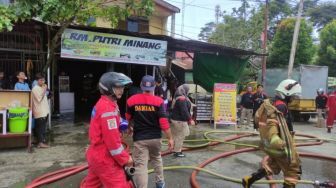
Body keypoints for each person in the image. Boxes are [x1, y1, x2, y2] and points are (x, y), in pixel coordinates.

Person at [242, 79, 302, 188]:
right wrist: (277, 140)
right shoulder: (280, 106)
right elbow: (272, 124)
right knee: (293, 170)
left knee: (273, 166)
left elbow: (257, 119)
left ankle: (249, 180)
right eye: (293, 95)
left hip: (269, 144)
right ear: (287, 94)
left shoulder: (270, 103)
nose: (294, 98)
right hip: (278, 144)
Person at [82, 72, 134, 188]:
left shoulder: (107, 103)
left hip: (96, 155)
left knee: (90, 185)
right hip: (105, 159)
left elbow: (111, 122)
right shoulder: (107, 110)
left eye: (122, 87)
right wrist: (126, 158)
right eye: (118, 87)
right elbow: (113, 144)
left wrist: (123, 124)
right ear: (108, 88)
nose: (121, 90)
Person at [126, 75, 174, 188]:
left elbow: (128, 117)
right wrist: (170, 138)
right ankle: (160, 183)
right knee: (157, 159)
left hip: (140, 139)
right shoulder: (159, 101)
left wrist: (129, 127)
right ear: (154, 87)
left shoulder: (131, 100)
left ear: (141, 87)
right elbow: (163, 122)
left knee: (141, 165)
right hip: (155, 138)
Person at [170, 84, 195, 157]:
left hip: (175, 119)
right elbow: (184, 111)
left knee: (176, 135)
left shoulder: (179, 97)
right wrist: (190, 119)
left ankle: (175, 149)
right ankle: (177, 152)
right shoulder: (182, 99)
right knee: (181, 136)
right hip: (179, 121)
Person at [31, 73, 50, 148]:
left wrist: (46, 90)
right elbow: (39, 99)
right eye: (41, 80)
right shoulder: (35, 88)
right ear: (37, 81)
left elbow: (47, 96)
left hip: (45, 110)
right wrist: (44, 90)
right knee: (40, 128)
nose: (42, 81)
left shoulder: (42, 87)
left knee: (43, 127)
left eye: (43, 80)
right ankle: (40, 143)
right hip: (39, 111)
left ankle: (41, 141)